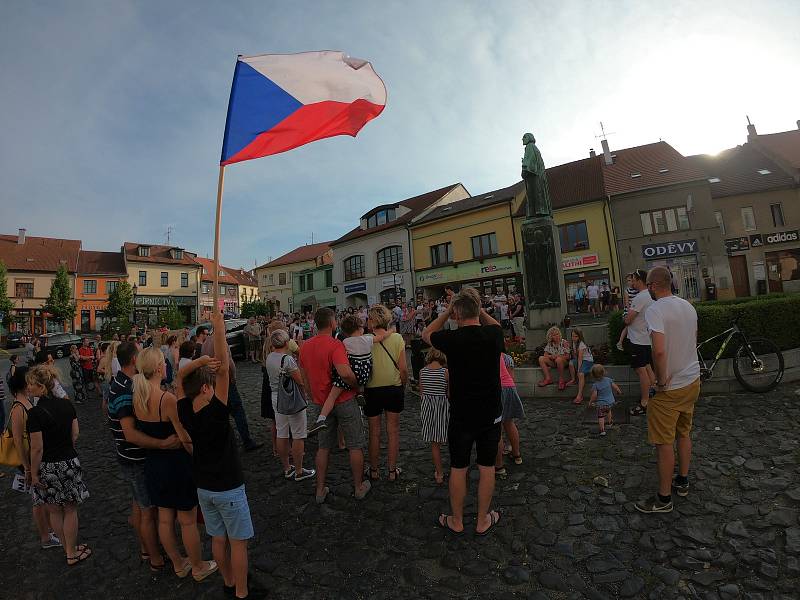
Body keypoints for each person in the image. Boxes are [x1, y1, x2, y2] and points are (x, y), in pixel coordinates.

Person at [177, 310, 264, 599]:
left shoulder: (186, 410)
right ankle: (241, 592)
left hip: (204, 485)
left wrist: (200, 360)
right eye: (210, 385)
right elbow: (225, 369)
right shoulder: (217, 411)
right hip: (228, 484)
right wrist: (218, 327)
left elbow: (179, 378)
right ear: (205, 389)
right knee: (238, 543)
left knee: (217, 538)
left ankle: (228, 582)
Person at [423, 287, 504, 536]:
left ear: (457, 313)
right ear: (477, 311)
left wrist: (448, 311)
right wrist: (477, 308)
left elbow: (427, 333)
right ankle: (482, 520)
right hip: (490, 412)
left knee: (459, 467)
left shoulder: (451, 339)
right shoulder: (492, 334)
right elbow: (497, 325)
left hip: (461, 414)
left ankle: (457, 520)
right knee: (487, 466)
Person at [133, 347, 218, 581]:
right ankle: (199, 566)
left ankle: (179, 564)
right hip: (176, 465)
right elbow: (184, 437)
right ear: (160, 367)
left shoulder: (138, 395)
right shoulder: (166, 399)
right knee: (187, 520)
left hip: (153, 464)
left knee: (164, 517)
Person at [107, 341, 181, 572]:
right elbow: (130, 434)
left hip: (127, 456)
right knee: (148, 510)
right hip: (136, 458)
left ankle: (146, 548)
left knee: (139, 506)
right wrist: (162, 444)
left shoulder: (120, 382)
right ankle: (156, 559)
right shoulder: (125, 389)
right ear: (133, 361)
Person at [635, 266, 700, 514]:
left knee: (664, 443)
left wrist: (660, 381)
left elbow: (659, 350)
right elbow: (692, 340)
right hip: (691, 380)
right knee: (683, 433)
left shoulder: (655, 310)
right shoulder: (687, 306)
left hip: (670, 387)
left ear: (652, 286)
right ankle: (682, 481)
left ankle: (663, 499)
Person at [298, 308, 369, 504]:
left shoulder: (304, 346)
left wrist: (313, 396)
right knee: (355, 444)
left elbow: (304, 377)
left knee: (323, 447)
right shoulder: (335, 345)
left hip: (321, 403)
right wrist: (357, 384)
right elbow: (345, 373)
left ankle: (320, 490)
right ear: (332, 324)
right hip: (344, 399)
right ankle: (358, 487)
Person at [25, 365, 91, 565]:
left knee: (55, 510)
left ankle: (67, 550)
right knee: (70, 509)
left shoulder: (35, 413)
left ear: (41, 387)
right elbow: (75, 434)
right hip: (68, 461)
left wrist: (34, 473)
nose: (28, 388)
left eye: (31, 384)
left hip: (47, 466)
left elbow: (37, 448)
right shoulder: (67, 405)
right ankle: (71, 550)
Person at [8, 366, 61, 549]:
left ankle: (49, 531)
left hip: (33, 458)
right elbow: (17, 441)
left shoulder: (26, 402)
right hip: (28, 462)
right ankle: (46, 537)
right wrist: (28, 467)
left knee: (42, 498)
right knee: (38, 501)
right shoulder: (18, 407)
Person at [310, 315, 389, 435]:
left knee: (332, 396)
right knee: (357, 382)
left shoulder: (345, 342)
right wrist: (392, 330)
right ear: (359, 328)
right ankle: (359, 393)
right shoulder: (367, 339)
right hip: (364, 374)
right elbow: (381, 337)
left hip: (350, 373)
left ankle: (321, 419)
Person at [364, 305, 409, 482]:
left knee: (374, 432)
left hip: (372, 389)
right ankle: (391, 471)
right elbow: (404, 369)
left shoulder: (366, 339)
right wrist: (403, 385)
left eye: (369, 318)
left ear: (374, 321)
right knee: (393, 431)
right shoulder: (397, 338)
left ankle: (374, 470)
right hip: (393, 387)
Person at [199, 332, 263, 453]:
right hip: (225, 380)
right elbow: (228, 362)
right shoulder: (221, 341)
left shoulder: (205, 343)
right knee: (237, 410)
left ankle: (223, 441)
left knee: (220, 410)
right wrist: (232, 376)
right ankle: (247, 440)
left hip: (212, 381)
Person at [264, 330, 315, 480]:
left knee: (282, 432)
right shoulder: (287, 359)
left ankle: (287, 468)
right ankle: (299, 470)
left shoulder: (270, 357)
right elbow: (300, 381)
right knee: (298, 434)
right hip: (291, 398)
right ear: (287, 343)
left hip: (276, 397)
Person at [624, 269, 656, 417]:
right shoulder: (650, 295)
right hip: (646, 338)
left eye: (634, 279)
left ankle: (644, 403)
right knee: (648, 368)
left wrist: (624, 315)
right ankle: (653, 395)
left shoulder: (639, 297)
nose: (632, 282)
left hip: (638, 339)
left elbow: (628, 319)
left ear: (639, 280)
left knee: (640, 370)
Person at [418, 349, 449, 485]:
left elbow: (422, 392)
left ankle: (440, 474)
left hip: (428, 408)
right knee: (449, 438)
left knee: (434, 444)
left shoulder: (422, 372)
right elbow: (449, 393)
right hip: (443, 407)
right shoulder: (446, 372)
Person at [495, 352, 525, 474]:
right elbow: (511, 376)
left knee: (496, 428)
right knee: (509, 422)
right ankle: (517, 454)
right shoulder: (506, 357)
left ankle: (499, 465)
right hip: (509, 387)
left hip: (497, 388)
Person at [588, 364, 622, 436]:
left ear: (593, 375)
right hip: (610, 402)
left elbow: (594, 395)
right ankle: (609, 423)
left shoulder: (596, 385)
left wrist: (591, 401)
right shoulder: (609, 380)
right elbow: (615, 387)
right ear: (604, 372)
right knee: (608, 411)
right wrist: (618, 391)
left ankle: (602, 430)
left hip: (601, 404)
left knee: (601, 416)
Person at [568, 328, 593, 404]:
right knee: (571, 363)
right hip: (580, 359)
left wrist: (579, 369)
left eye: (576, 336)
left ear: (579, 336)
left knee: (581, 374)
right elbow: (576, 357)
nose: (574, 338)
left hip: (587, 361)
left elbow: (580, 358)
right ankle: (573, 379)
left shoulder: (581, 344)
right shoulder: (573, 343)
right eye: (572, 336)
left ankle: (580, 395)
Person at [616, 273, 639, 351]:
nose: (629, 282)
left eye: (631, 280)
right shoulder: (627, 290)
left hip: (636, 309)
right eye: (628, 281)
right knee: (628, 326)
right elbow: (626, 302)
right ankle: (620, 341)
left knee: (630, 327)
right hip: (629, 311)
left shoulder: (638, 290)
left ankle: (621, 342)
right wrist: (629, 312)